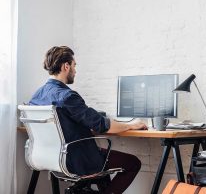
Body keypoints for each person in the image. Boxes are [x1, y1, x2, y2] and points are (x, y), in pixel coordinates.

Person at [29, 46, 147, 193]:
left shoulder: (36, 96)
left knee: (101, 165)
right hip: (76, 159)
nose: (75, 70)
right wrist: (131, 125)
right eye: (74, 65)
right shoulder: (67, 96)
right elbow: (103, 125)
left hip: (49, 158)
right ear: (66, 66)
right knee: (133, 163)